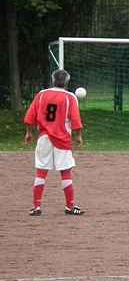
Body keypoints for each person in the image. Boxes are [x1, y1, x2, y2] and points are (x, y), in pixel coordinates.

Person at [23, 69, 84, 215]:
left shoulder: (42, 94)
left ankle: (36, 207)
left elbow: (30, 116)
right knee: (65, 172)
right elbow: (75, 120)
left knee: (41, 172)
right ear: (67, 82)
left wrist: (29, 132)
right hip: (62, 140)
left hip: (44, 138)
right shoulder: (70, 97)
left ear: (52, 80)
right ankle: (70, 206)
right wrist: (78, 136)